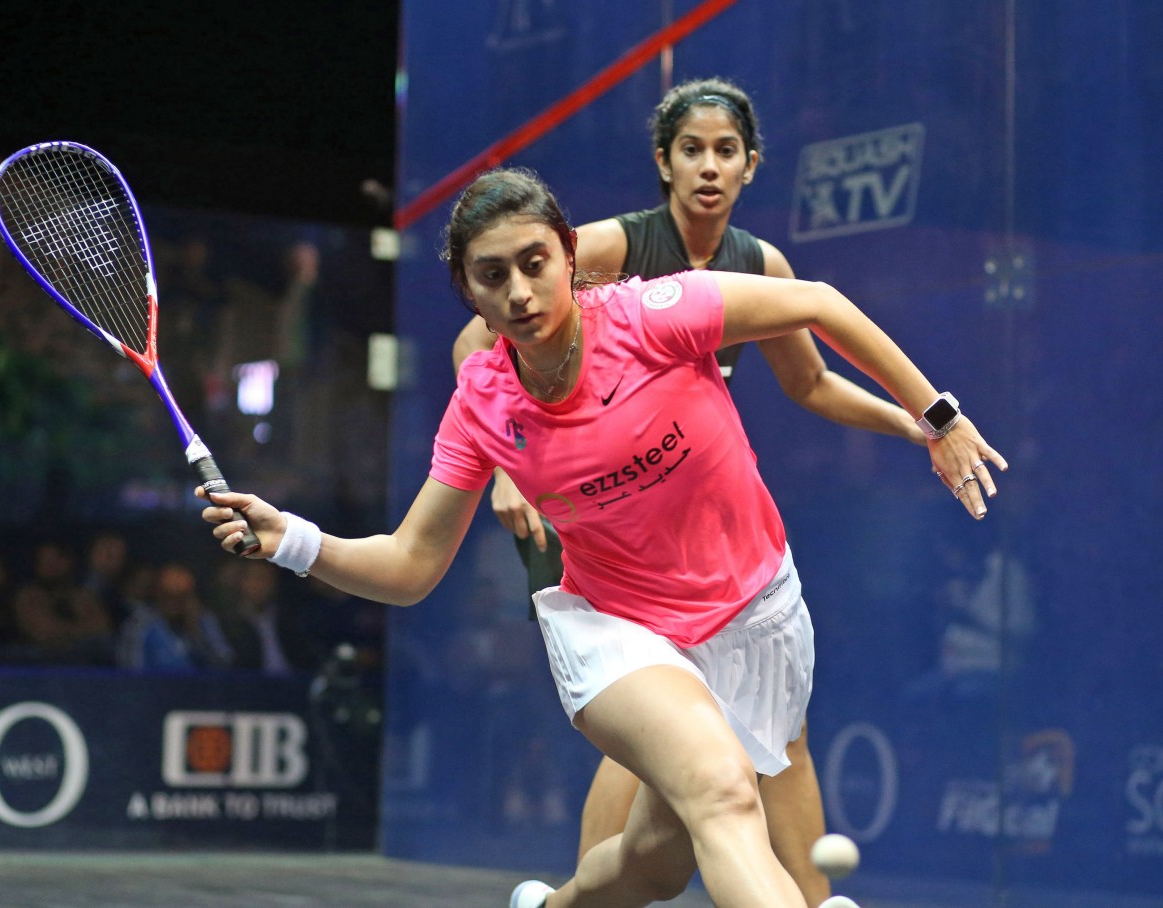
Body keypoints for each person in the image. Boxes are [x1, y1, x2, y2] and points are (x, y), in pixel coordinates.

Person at [198, 167, 1005, 908]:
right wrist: (291, 539)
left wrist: (937, 417)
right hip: (622, 631)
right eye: (492, 276)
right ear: (468, 292)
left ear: (569, 255)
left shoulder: (653, 316)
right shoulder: (483, 404)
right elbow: (410, 565)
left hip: (758, 609)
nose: (519, 292)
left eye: (534, 263)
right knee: (725, 792)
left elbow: (820, 303)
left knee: (657, 861)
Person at [451, 77, 925, 905]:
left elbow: (811, 383)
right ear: (663, 163)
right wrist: (503, 467)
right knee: (654, 737)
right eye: (692, 150)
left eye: (725, 151)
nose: (709, 167)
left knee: (777, 732)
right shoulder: (608, 248)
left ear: (751, 166)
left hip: (693, 525)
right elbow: (476, 345)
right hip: (598, 527)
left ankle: (808, 898)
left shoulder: (759, 264)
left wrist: (914, 422)